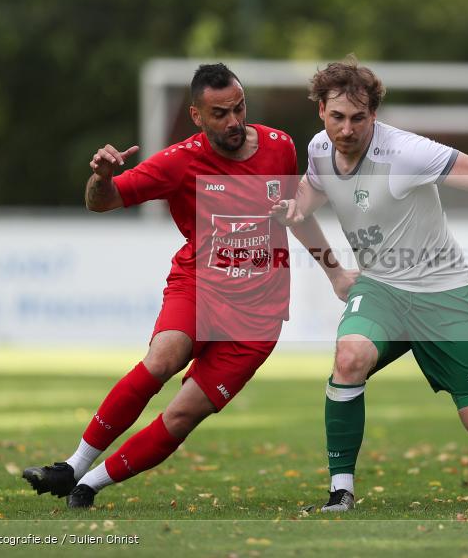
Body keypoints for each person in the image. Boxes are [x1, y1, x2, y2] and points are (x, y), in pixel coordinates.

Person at [23, 63, 353, 508]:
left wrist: (334, 272)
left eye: (239, 108)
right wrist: (101, 177)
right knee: (163, 359)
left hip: (259, 315)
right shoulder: (179, 161)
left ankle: (87, 485)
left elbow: (297, 215)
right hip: (199, 289)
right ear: (197, 116)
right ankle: (73, 464)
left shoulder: (278, 147)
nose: (234, 121)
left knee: (181, 415)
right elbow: (102, 202)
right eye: (220, 113)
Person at [271, 59, 468, 512]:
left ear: (374, 114)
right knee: (349, 358)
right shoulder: (318, 150)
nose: (346, 129)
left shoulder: (405, 153)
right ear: (321, 112)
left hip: (443, 294)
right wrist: (333, 270)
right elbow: (305, 204)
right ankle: (341, 491)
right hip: (382, 289)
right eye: (336, 117)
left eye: (358, 118)